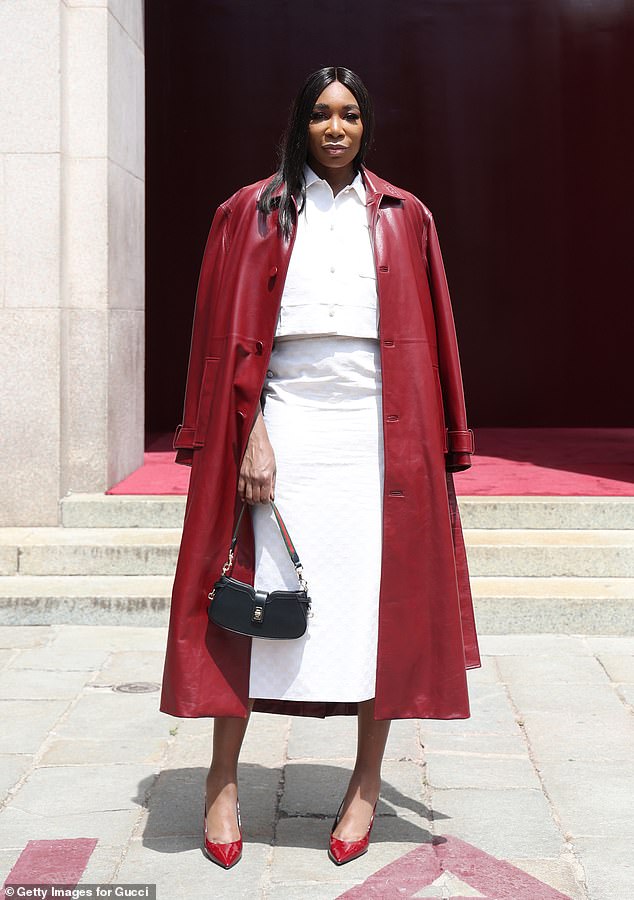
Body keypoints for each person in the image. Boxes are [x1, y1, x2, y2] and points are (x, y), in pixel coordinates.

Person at [160, 65, 481, 870]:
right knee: (250, 606)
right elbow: (220, 333)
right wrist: (250, 432)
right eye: (320, 117)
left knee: (380, 610)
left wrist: (438, 444)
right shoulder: (251, 210)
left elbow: (434, 337)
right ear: (299, 125)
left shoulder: (406, 215)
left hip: (379, 435)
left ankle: (366, 785)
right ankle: (223, 784)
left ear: (366, 124)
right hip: (285, 427)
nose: (336, 129)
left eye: (349, 116)